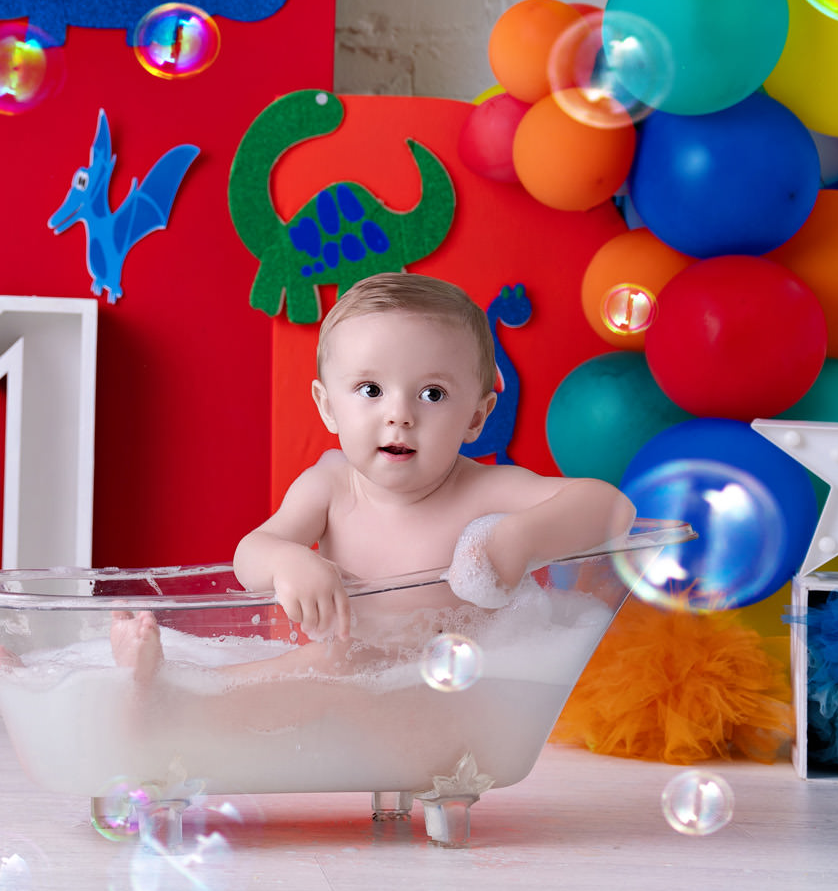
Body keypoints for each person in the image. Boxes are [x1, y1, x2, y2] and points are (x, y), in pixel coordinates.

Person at [111, 271, 635, 680]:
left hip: (439, 699)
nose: (399, 415)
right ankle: (177, 690)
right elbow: (252, 553)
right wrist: (289, 560)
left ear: (477, 417)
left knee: (332, 667)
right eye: (370, 390)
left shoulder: (483, 492)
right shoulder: (330, 485)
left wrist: (518, 537)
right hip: (337, 698)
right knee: (328, 665)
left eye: (433, 394)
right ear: (328, 407)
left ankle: (174, 695)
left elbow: (612, 508)